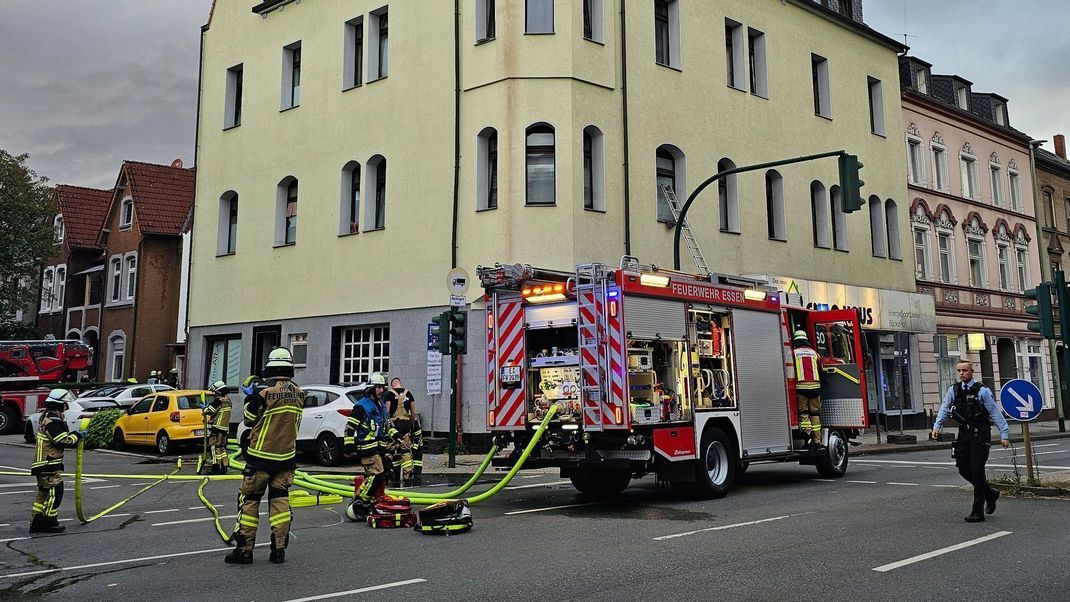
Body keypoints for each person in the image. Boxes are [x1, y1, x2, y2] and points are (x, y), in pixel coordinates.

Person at [226, 348, 304, 565]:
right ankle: (279, 550)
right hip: (286, 458)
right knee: (280, 502)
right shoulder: (300, 392)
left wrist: (250, 396)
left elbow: (249, 420)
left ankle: (244, 550)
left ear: (270, 368)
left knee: (249, 501)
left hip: (260, 458)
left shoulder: (263, 392)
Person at [932, 360, 1010, 523]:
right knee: (962, 467)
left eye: (965, 370)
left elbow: (994, 412)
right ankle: (990, 493)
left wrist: (1004, 434)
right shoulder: (954, 390)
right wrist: (937, 426)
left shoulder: (982, 391)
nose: (962, 373)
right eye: (959, 371)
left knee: (977, 469)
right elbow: (945, 408)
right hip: (964, 433)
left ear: (971, 371)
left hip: (980, 433)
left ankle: (977, 511)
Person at [29, 389, 83, 534]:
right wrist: (76, 436)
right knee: (56, 491)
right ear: (60, 405)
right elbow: (61, 440)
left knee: (44, 493)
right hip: (48, 464)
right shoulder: (53, 421)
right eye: (66, 404)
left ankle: (36, 521)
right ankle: (48, 522)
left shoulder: (47, 417)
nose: (67, 407)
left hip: (43, 464)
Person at [344, 373, 398, 519]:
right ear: (371, 389)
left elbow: (387, 426)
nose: (381, 390)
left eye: (382, 387)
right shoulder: (362, 406)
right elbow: (350, 427)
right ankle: (361, 502)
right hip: (367, 447)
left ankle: (369, 501)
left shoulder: (380, 406)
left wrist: (396, 436)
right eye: (378, 387)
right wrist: (348, 445)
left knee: (383, 474)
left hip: (379, 448)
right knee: (376, 476)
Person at [384, 378, 422, 485]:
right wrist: (412, 424)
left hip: (393, 425)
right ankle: (407, 475)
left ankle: (387, 473)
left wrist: (387, 425)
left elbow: (387, 411)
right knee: (406, 450)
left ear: (392, 385)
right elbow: (413, 412)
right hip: (405, 425)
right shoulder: (408, 393)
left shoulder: (389, 394)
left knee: (390, 450)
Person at [792, 330, 822, 445]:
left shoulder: (794, 353)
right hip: (815, 388)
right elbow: (820, 366)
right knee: (815, 414)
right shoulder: (814, 353)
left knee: (804, 412)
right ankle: (817, 440)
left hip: (802, 388)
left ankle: (807, 437)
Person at [202, 381, 232, 475]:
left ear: (218, 391)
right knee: (222, 448)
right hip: (225, 428)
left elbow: (209, 411)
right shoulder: (229, 400)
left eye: (215, 392)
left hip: (217, 428)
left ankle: (216, 467)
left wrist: (204, 408)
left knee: (214, 447)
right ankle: (224, 466)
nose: (214, 394)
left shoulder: (218, 401)